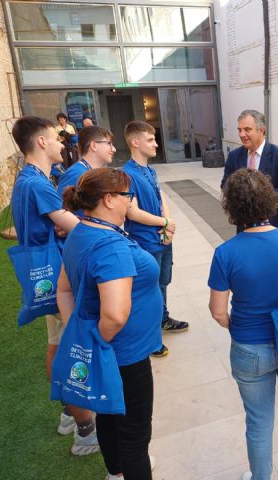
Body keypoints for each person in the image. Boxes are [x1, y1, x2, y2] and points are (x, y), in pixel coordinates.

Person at [208, 169, 278, 480]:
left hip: (249, 347)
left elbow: (217, 312)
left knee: (258, 422)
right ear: (271, 200)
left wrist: (237, 326)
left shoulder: (225, 253)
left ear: (232, 207)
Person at [59, 168, 162, 480]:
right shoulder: (110, 246)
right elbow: (116, 315)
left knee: (107, 414)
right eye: (126, 195)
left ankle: (115, 473)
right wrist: (98, 341)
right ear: (108, 199)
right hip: (125, 355)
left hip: (107, 352)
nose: (130, 201)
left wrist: (82, 338)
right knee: (134, 434)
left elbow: (63, 290)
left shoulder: (81, 231)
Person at [10, 116, 98, 455]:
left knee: (57, 343)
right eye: (56, 138)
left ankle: (68, 415)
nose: (63, 143)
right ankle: (86, 430)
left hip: (46, 277)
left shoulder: (26, 179)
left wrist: (62, 223)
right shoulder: (38, 184)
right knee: (74, 349)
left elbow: (58, 222)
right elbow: (75, 226)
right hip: (61, 278)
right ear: (41, 142)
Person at [123, 121, 185, 358]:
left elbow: (161, 198)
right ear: (135, 142)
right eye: (150, 140)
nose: (156, 144)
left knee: (162, 283)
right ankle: (149, 339)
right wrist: (165, 223)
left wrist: (167, 225)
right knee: (147, 289)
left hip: (162, 239)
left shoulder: (150, 170)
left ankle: (163, 319)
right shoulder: (127, 174)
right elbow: (132, 212)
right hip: (146, 242)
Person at [221, 109, 278, 231]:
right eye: (240, 130)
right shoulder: (234, 156)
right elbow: (225, 185)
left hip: (275, 223)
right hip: (244, 226)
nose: (242, 134)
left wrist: (265, 198)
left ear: (261, 130)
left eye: (247, 129)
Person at [57, 125, 116, 201]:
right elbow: (61, 207)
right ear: (94, 146)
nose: (114, 149)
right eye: (109, 143)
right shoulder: (76, 174)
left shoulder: (94, 172)